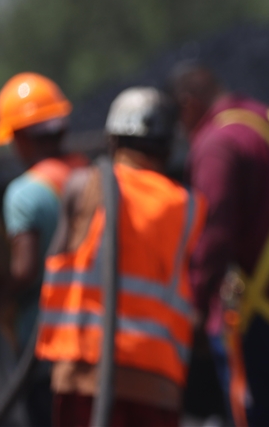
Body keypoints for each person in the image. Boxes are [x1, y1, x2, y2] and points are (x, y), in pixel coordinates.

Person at [168, 63, 269, 426]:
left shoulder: (216, 145)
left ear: (188, 103)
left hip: (259, 311)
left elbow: (213, 235)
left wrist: (194, 303)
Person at [35, 86, 206, 426]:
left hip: (85, 374)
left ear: (112, 140)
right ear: (169, 148)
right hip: (158, 382)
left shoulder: (84, 186)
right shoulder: (187, 207)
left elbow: (52, 268)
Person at [0, 72, 88, 425]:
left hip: (48, 351)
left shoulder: (25, 193)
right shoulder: (90, 176)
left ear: (19, 138)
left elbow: (25, 270)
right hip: (96, 339)